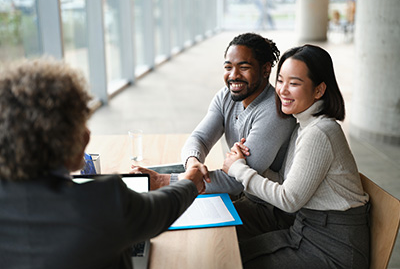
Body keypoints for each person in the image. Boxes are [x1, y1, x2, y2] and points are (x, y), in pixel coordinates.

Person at [0, 58, 204, 269]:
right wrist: (189, 182)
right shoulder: (104, 201)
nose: (87, 133)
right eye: (80, 123)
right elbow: (161, 209)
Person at [222, 44, 370, 268]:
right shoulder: (304, 125)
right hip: (306, 231)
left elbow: (288, 200)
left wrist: (239, 170)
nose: (282, 90)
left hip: (333, 250)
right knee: (230, 251)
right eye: (280, 80)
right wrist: (244, 161)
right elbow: (285, 181)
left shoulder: (320, 132)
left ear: (319, 90)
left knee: (231, 259)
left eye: (294, 83)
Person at [132, 33, 296, 197]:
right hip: (241, 196)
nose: (233, 75)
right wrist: (193, 165)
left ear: (266, 69)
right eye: (228, 67)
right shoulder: (226, 96)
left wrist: (164, 181)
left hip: (264, 207)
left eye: (244, 67)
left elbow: (236, 182)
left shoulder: (274, 112)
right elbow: (199, 139)